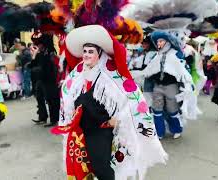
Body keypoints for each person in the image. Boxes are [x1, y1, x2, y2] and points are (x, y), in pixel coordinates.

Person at [51, 25, 167, 180]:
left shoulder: (112, 75)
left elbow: (132, 99)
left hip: (100, 130)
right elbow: (67, 95)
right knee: (84, 168)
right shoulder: (77, 73)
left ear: (99, 53)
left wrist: (118, 119)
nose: (86, 55)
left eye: (90, 52)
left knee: (101, 167)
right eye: (84, 51)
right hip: (80, 130)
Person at [132, 31, 196, 139]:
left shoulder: (175, 54)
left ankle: (177, 129)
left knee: (172, 109)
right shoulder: (157, 56)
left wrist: (188, 83)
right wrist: (134, 74)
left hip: (171, 86)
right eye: (157, 42)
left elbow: (182, 71)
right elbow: (148, 70)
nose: (159, 44)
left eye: (161, 41)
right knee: (157, 109)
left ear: (167, 42)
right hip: (158, 86)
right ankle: (160, 132)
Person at [30, 32, 60, 127]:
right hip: (42, 80)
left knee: (52, 100)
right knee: (39, 97)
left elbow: (49, 69)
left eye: (39, 44)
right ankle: (42, 116)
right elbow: (33, 65)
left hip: (49, 80)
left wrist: (36, 70)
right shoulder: (41, 53)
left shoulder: (50, 53)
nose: (37, 46)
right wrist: (34, 56)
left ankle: (54, 119)